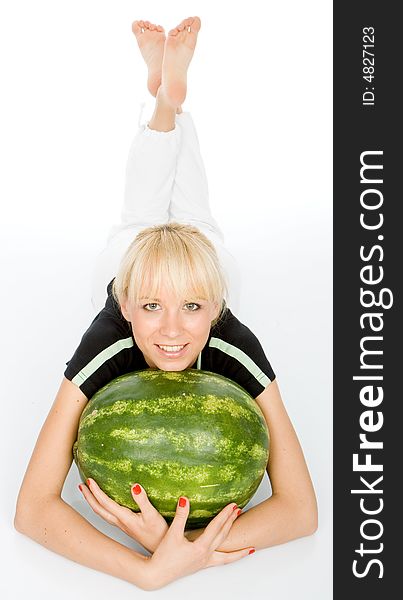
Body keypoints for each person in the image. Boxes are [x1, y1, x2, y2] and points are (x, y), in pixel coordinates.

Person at [14, 17, 318, 591]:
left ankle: (167, 99)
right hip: (133, 259)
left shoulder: (233, 339)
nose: (174, 332)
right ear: (125, 307)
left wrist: (175, 548)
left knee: (190, 212)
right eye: (151, 308)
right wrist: (148, 573)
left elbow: (302, 511)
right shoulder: (108, 339)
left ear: (216, 306)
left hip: (201, 264)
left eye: (194, 309)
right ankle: (167, 101)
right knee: (144, 215)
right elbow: (31, 510)